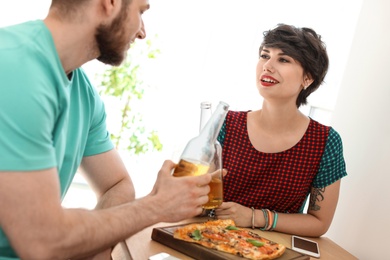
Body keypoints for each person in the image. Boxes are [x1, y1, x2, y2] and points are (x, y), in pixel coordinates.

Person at [0, 0, 211, 259]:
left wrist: (96, 247)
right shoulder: (12, 67)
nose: (142, 32)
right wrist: (157, 205)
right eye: (140, 12)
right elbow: (43, 241)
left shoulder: (83, 94)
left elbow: (117, 184)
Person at [214, 24, 347, 237]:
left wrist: (253, 217)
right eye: (264, 55)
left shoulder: (325, 141)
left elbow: (319, 222)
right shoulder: (225, 123)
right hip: (211, 237)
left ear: (308, 78)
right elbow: (194, 192)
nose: (267, 65)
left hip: (272, 250)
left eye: (283, 59)